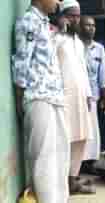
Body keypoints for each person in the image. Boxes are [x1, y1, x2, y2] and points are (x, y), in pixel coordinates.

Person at [12, 0, 70, 202]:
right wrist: (21, 100)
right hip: (38, 98)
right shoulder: (28, 22)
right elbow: (22, 62)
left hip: (54, 97)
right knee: (43, 159)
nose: (59, 2)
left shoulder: (45, 23)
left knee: (61, 154)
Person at [57, 0, 95, 194]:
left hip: (81, 97)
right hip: (63, 97)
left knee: (81, 138)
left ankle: (73, 178)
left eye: (78, 16)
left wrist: (89, 94)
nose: (75, 19)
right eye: (71, 15)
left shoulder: (78, 43)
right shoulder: (55, 39)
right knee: (66, 138)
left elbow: (83, 71)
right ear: (62, 16)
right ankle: (63, 181)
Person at [79, 15, 105, 172]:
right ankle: (78, 163)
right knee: (78, 129)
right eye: (86, 25)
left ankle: (90, 162)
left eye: (93, 25)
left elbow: (103, 74)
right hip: (76, 95)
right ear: (80, 27)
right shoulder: (75, 45)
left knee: (92, 129)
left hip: (92, 96)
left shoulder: (99, 48)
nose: (90, 28)